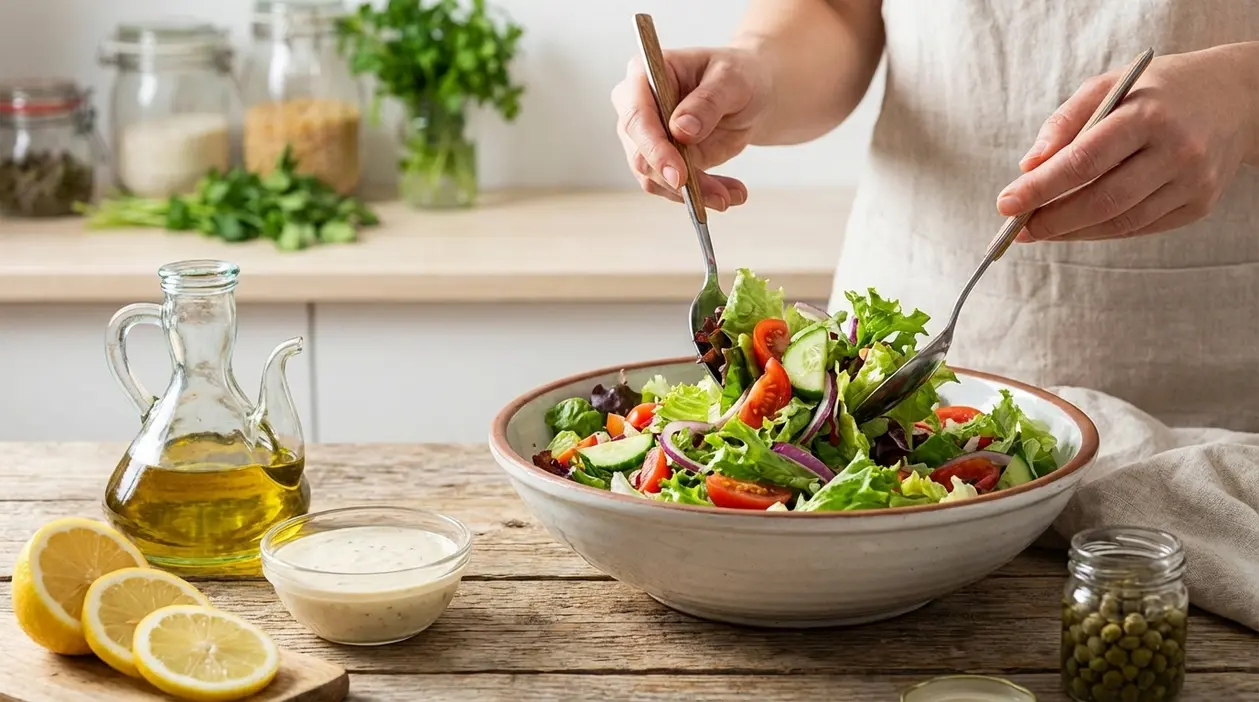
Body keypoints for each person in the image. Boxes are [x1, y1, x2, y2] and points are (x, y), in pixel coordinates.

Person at [611, 0, 1259, 432]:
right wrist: (754, 71)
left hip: (1217, 413)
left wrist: (1242, 93)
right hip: (898, 351)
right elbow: (836, 11)